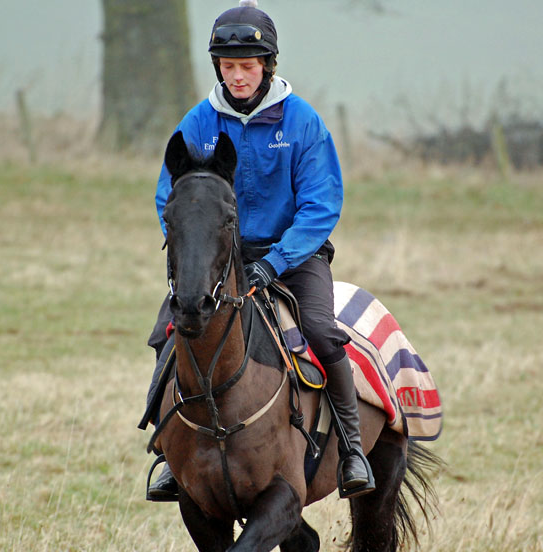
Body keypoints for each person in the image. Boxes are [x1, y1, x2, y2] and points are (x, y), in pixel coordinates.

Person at [145, 0, 374, 500]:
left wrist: (276, 262)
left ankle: (353, 450)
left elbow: (321, 204)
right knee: (168, 333)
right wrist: (197, 251)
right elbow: (172, 196)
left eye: (247, 66)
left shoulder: (303, 122)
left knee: (320, 332)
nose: (237, 76)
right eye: (228, 67)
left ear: (267, 65)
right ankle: (169, 452)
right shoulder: (198, 122)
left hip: (294, 257)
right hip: (218, 260)